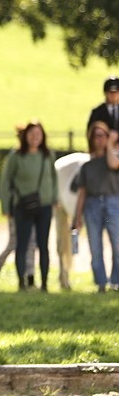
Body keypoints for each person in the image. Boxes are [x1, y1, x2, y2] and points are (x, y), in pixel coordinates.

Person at [0, 121, 58, 292]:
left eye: (38, 134)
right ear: (25, 136)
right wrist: (6, 207)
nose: (35, 138)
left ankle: (45, 284)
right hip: (22, 206)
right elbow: (6, 182)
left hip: (44, 205)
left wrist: (55, 198)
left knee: (43, 245)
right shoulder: (16, 156)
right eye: (32, 134)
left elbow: (54, 179)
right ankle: (21, 283)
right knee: (22, 245)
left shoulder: (47, 155)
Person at [71, 121, 119, 293]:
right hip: (92, 206)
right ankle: (100, 283)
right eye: (96, 136)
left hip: (113, 204)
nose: (99, 139)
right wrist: (77, 218)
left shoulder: (114, 158)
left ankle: (116, 281)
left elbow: (114, 164)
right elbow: (82, 193)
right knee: (95, 247)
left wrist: (110, 145)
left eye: (103, 135)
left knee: (117, 244)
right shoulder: (86, 166)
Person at [0, 218, 36, 291]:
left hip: (31, 214)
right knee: (12, 245)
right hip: (15, 215)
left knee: (31, 246)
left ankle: (31, 281)